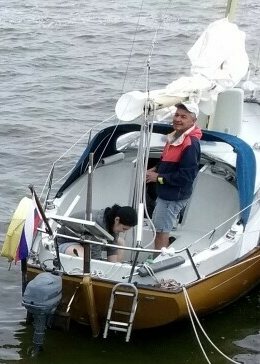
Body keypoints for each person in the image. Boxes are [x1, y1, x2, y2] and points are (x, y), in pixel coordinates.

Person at [145, 101, 202, 249]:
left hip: (172, 197)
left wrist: (158, 177)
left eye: (184, 117)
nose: (178, 119)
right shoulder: (175, 137)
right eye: (176, 115)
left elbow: (187, 176)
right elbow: (167, 160)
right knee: (162, 229)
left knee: (161, 232)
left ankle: (158, 262)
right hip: (167, 194)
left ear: (193, 121)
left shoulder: (190, 144)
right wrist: (155, 169)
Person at [59, 204, 139, 263]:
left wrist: (113, 266)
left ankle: (115, 271)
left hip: (83, 240)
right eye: (124, 228)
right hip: (65, 242)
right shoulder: (98, 224)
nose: (124, 231)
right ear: (117, 220)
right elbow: (95, 255)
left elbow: (112, 248)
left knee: (120, 242)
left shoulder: (111, 220)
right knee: (84, 255)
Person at [21, 272, 62, 356]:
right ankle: (37, 349)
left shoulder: (39, 282)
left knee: (39, 325)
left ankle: (37, 349)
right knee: (40, 325)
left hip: (31, 304)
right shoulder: (54, 281)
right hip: (43, 307)